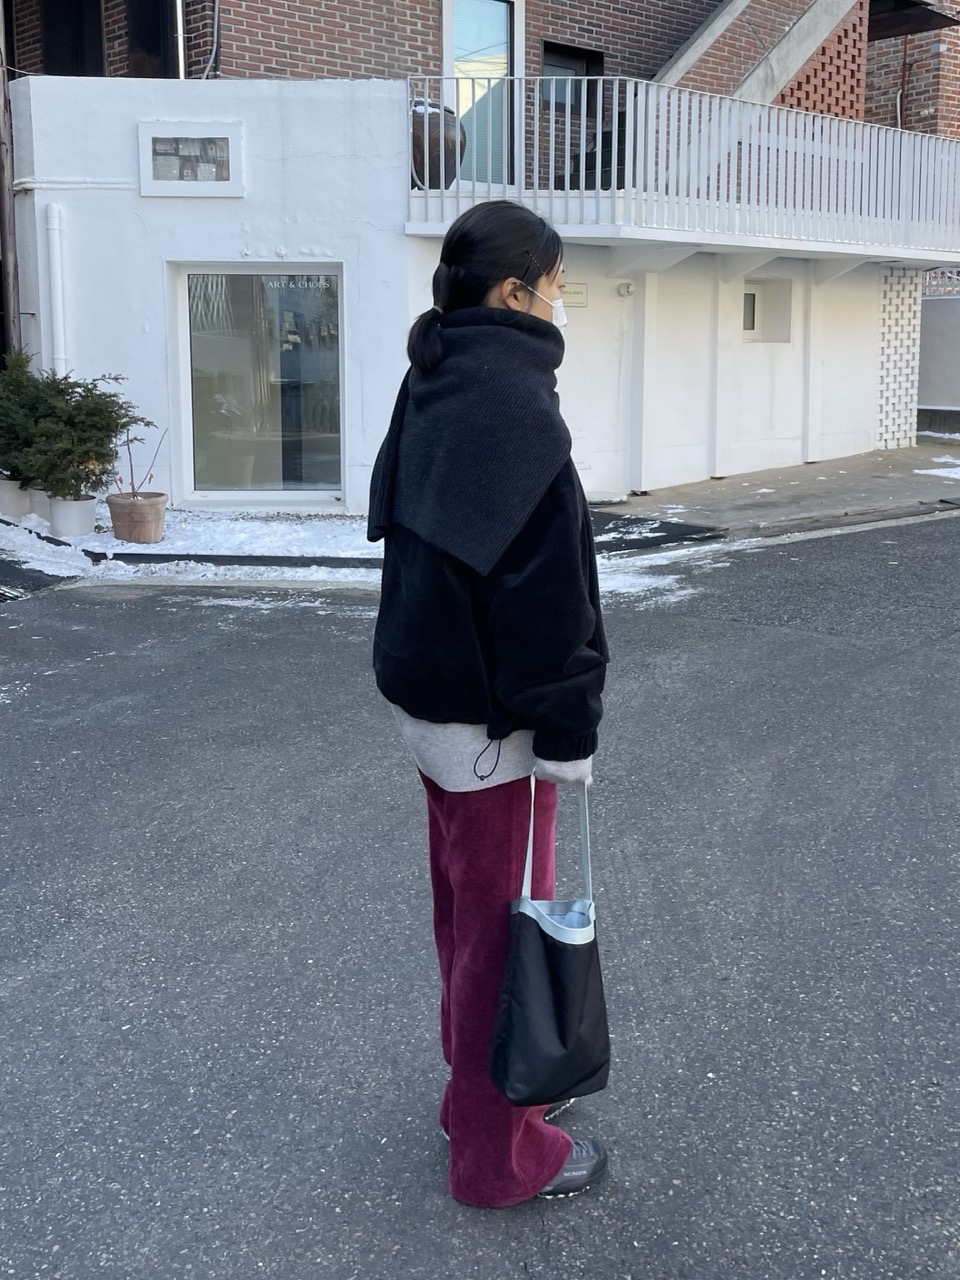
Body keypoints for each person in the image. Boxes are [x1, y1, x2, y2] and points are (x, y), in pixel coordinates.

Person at [367, 201, 608, 1208]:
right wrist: (568, 726)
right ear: (515, 291)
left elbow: (394, 518)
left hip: (430, 699)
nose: (561, 300)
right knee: (503, 941)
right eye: (554, 284)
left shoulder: (435, 374)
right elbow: (547, 601)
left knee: (469, 922)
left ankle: (473, 1096)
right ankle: (497, 1157)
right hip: (491, 724)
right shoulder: (516, 406)